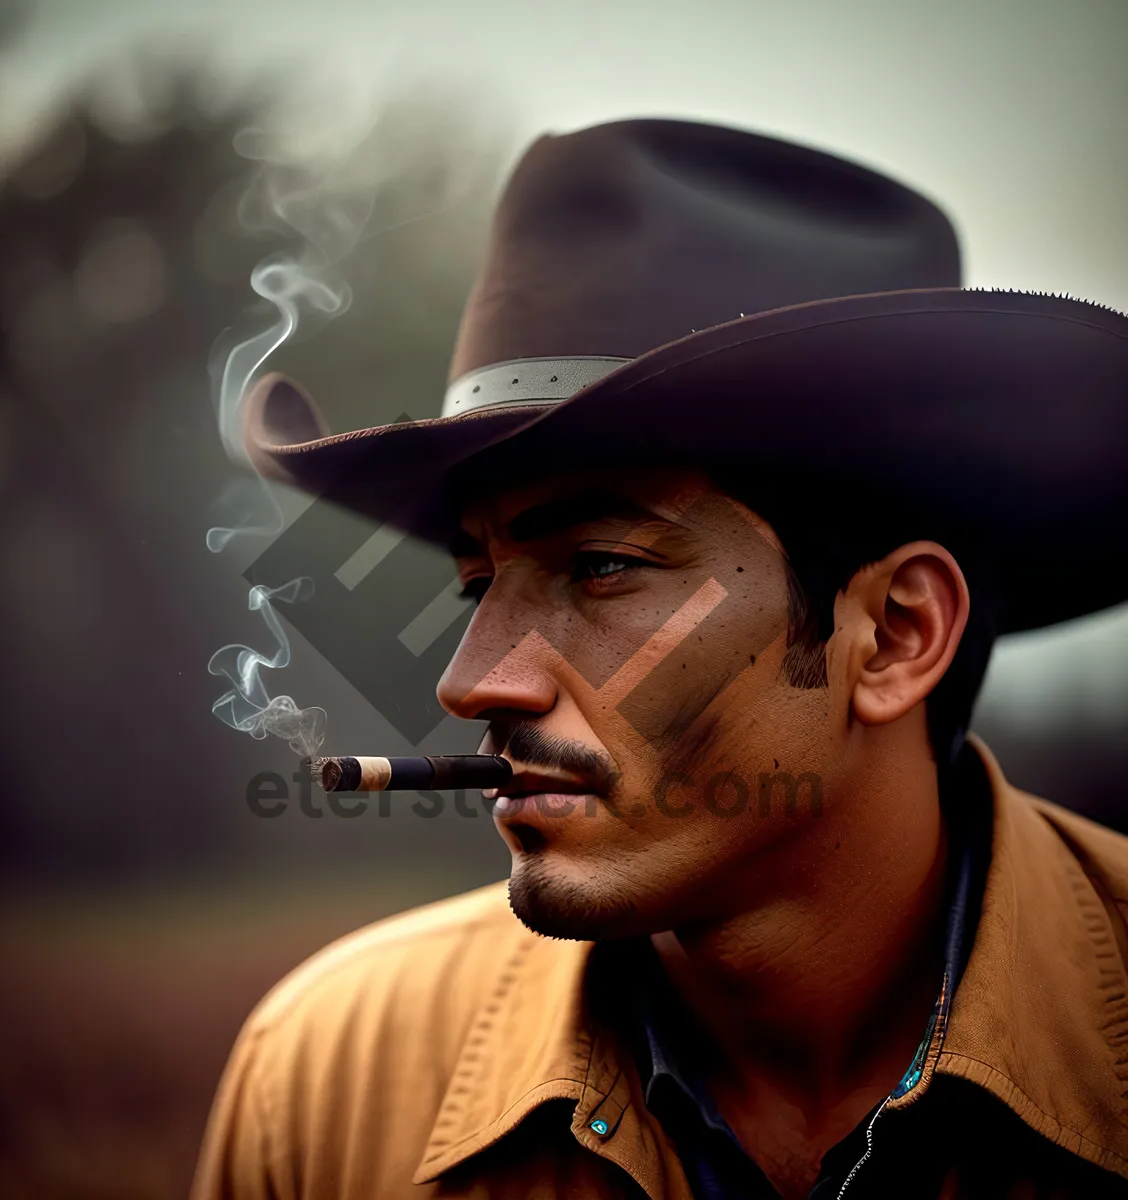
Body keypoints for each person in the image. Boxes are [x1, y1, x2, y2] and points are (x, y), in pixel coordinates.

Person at [191, 119, 1128, 1199]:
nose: (467, 682)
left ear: (898, 636)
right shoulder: (327, 1088)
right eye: (477, 582)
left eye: (600, 567)